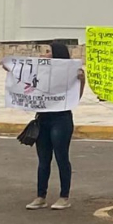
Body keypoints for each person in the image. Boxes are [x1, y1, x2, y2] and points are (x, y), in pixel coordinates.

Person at [23, 43, 84, 211]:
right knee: (43, 160)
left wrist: (81, 80)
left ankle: (64, 196)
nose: (44, 55)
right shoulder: (40, 72)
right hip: (43, 118)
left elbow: (75, 97)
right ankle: (40, 196)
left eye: (48, 52)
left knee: (61, 157)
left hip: (61, 119)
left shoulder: (70, 74)